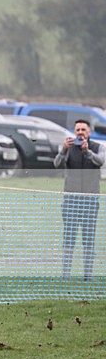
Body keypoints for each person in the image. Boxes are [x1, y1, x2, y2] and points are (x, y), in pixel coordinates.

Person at [53, 119, 104, 281]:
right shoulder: (68, 148)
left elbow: (100, 161)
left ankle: (88, 276)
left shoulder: (98, 147)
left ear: (89, 132)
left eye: (83, 129)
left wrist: (87, 152)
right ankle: (65, 276)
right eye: (77, 130)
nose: (80, 132)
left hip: (90, 200)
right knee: (69, 238)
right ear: (74, 132)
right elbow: (56, 164)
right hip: (71, 200)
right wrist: (63, 150)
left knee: (88, 239)